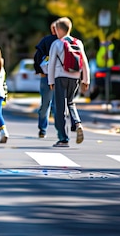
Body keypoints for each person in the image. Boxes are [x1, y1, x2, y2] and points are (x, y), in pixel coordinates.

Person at [47, 17, 90, 147]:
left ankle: (63, 138)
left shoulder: (57, 44)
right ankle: (77, 123)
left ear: (59, 29)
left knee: (59, 108)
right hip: (75, 78)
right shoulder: (78, 43)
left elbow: (52, 64)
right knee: (70, 102)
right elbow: (85, 62)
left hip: (61, 77)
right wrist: (86, 80)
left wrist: (50, 81)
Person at [33, 21, 58, 139]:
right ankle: (61, 130)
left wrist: (40, 71)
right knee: (58, 104)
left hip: (46, 76)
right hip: (60, 76)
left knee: (45, 104)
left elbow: (37, 57)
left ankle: (42, 129)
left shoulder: (45, 41)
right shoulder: (67, 42)